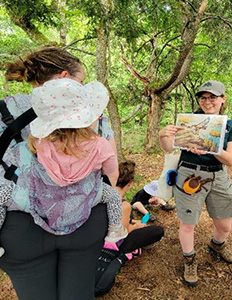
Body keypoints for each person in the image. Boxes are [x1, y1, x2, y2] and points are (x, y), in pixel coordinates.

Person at [0, 47, 115, 300]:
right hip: (85, 220)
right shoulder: (95, 116)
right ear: (65, 77)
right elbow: (110, 175)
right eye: (81, 81)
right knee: (79, 293)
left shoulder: (4, 110)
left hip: (21, 227)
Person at [159, 80, 232, 287]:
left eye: (212, 97)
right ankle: (189, 260)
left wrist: (210, 147)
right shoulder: (188, 121)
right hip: (189, 174)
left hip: (218, 176)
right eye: (203, 97)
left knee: (224, 224)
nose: (207, 101)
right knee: (188, 223)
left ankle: (217, 245)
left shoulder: (230, 126)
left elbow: (231, 160)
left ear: (223, 99)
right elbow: (169, 148)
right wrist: (163, 135)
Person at [111, 161, 165, 254]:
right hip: (116, 244)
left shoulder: (104, 195)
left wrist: (132, 221)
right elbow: (123, 232)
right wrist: (136, 226)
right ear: (130, 183)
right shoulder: (124, 205)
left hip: (101, 236)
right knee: (158, 231)